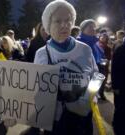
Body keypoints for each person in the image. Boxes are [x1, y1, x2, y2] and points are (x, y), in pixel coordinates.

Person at [34, 0, 98, 135]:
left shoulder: (85, 49)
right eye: (57, 21)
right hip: (54, 122)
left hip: (82, 120)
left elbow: (96, 77)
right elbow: (35, 89)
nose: (64, 25)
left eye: (68, 20)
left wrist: (87, 99)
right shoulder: (41, 53)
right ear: (47, 26)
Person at [97, 33, 111, 100]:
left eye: (104, 37)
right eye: (101, 36)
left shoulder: (108, 48)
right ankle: (95, 94)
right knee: (96, 82)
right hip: (97, 66)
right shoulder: (95, 45)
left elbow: (108, 58)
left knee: (103, 81)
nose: (102, 38)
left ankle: (101, 93)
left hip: (104, 67)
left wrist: (104, 61)